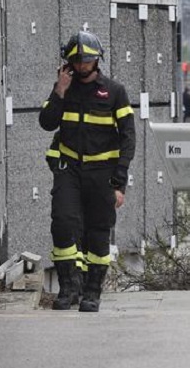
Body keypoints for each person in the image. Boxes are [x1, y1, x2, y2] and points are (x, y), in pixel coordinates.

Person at [39, 30, 135, 312]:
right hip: (69, 170)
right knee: (63, 222)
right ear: (68, 62)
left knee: (97, 231)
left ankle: (92, 292)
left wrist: (120, 183)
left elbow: (128, 138)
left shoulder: (115, 92)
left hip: (102, 174)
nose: (82, 65)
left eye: (87, 60)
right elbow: (46, 122)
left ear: (97, 60)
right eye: (77, 61)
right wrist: (59, 90)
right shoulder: (64, 88)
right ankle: (69, 288)